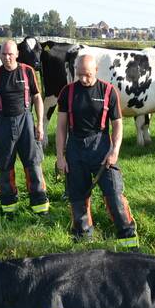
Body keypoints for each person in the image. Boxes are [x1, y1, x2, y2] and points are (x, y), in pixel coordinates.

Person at [55, 54, 137, 247]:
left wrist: (114, 150)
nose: (83, 79)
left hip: (101, 145)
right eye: (79, 74)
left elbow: (117, 124)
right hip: (75, 146)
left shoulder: (108, 91)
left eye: (88, 75)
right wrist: (60, 157)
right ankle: (84, 239)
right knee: (78, 197)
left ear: (96, 71)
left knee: (114, 193)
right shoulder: (67, 92)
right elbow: (60, 127)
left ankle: (128, 239)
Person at [0, 40, 49, 216]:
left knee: (33, 163)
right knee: (5, 165)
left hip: (26, 121)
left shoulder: (27, 71)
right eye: (4, 54)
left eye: (10, 54)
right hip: (3, 123)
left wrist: (40, 124)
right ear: (0, 55)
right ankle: (9, 207)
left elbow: (37, 97)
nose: (7, 58)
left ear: (17, 54)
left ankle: (39, 206)